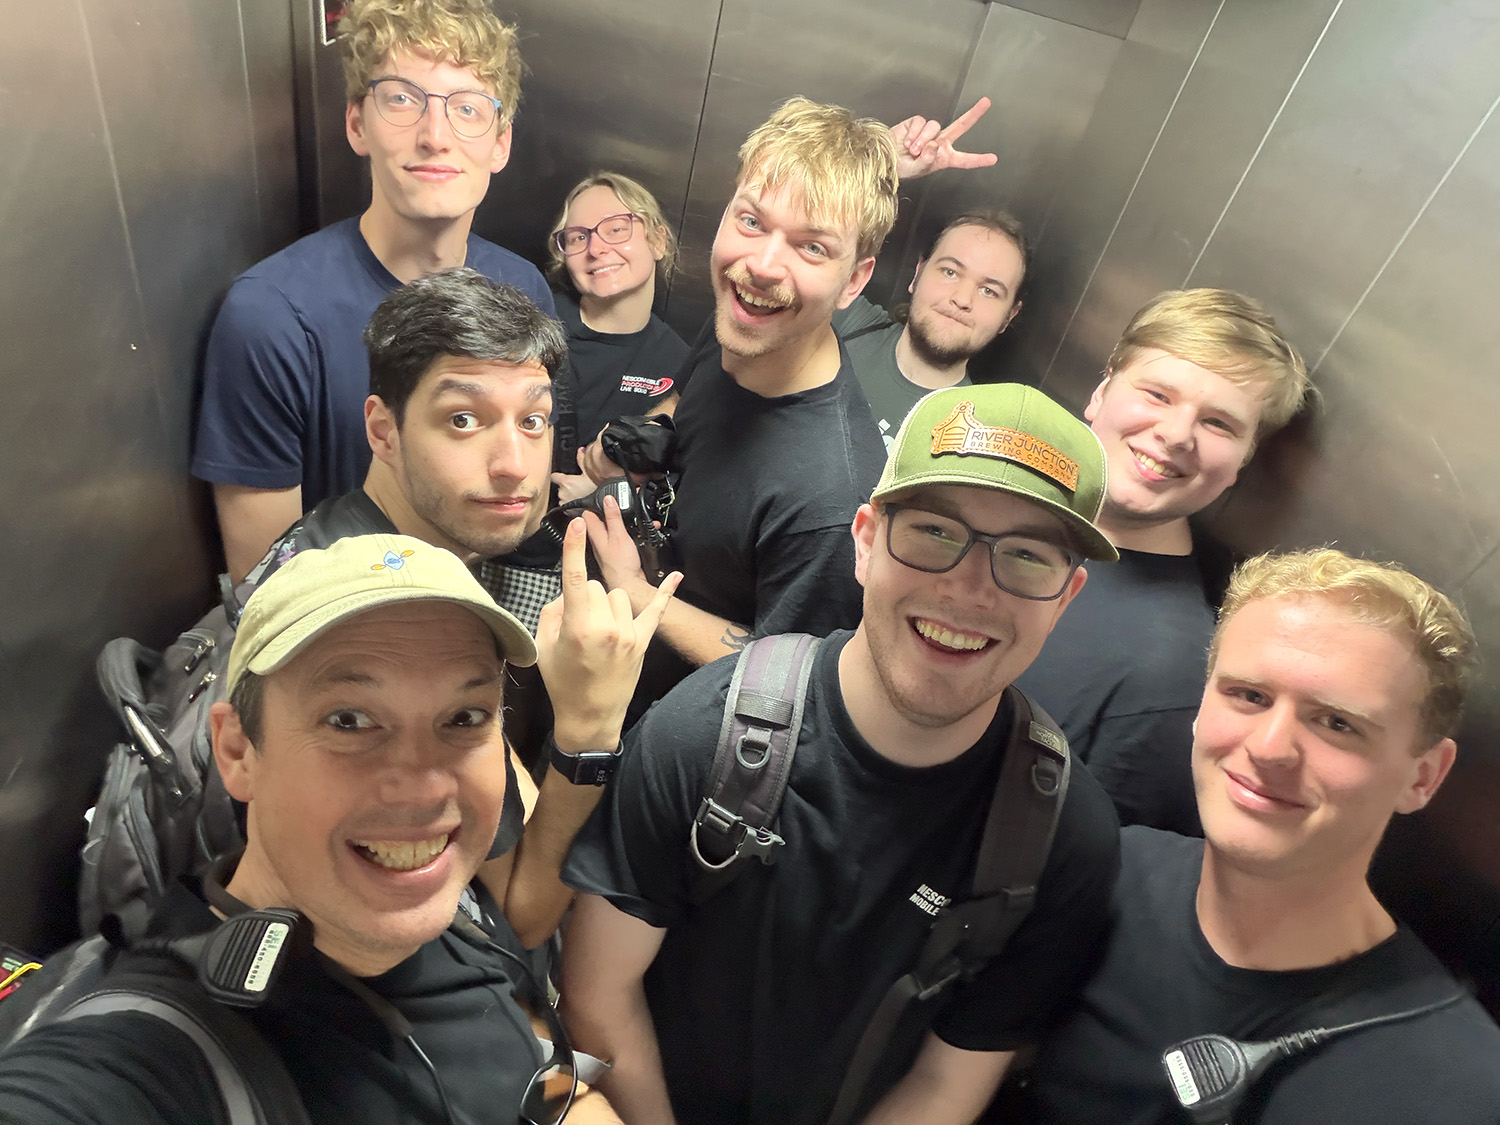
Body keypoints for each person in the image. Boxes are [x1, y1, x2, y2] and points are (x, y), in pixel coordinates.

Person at [561, 384, 1123, 1125]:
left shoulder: (1062, 837)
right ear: (863, 540)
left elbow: (945, 1085)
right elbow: (599, 997)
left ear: (1067, 596)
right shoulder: (704, 734)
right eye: (933, 531)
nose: (967, 589)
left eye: (1025, 556)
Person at [0, 534, 644, 1123]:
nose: (423, 785)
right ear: (237, 753)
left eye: (464, 715)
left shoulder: (454, 911)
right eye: (349, 720)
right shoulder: (156, 1057)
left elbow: (526, 1071)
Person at [248, 267, 677, 950]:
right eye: (463, 419)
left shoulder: (337, 540)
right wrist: (591, 724)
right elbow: (525, 912)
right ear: (383, 430)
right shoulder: (398, 622)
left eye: (532, 420)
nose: (514, 464)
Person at [1001, 548, 1500, 1123]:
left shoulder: (1459, 1090)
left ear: (1423, 776)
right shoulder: (1099, 874)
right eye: (1249, 696)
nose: (1268, 748)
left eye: (1336, 723)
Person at [579, 96, 999, 713]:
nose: (763, 265)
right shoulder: (742, 322)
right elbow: (685, 402)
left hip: (667, 726)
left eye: (811, 248)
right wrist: (636, 446)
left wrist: (638, 594)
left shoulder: (831, 498)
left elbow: (797, 680)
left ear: (854, 281)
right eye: (751, 222)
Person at [193, 0, 555, 584]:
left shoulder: (523, 289)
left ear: (500, 143)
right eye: (402, 100)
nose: (435, 136)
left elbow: (522, 496)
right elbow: (266, 588)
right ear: (358, 123)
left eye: (467, 108)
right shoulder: (272, 315)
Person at [1016, 288, 1310, 835]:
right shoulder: (1000, 495)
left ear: (1242, 462)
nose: (1176, 435)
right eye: (1157, 394)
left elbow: (1077, 868)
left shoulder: (1169, 673)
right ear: (1103, 390)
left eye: (1219, 423)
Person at [835, 209, 1028, 447]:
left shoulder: (976, 443)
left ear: (1009, 316)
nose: (962, 299)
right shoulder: (845, 320)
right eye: (950, 272)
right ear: (918, 273)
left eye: (989, 291)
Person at [545, 171, 689, 487]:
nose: (596, 248)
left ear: (658, 241)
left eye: (616, 229)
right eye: (578, 237)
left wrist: (607, 493)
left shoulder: (681, 365)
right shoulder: (535, 322)